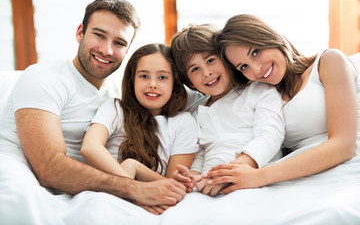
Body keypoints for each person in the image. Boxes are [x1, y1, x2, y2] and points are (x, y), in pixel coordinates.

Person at [0, 0, 187, 210]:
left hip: (86, 189)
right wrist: (135, 190)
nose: (107, 50)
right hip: (25, 176)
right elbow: (48, 168)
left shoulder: (121, 93)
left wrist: (191, 46)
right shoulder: (43, 77)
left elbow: (186, 93)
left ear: (127, 51)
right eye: (99, 35)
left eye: (119, 43)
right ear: (80, 32)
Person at [207, 14, 359, 193]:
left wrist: (258, 176)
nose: (256, 70)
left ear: (270, 37)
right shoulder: (263, 97)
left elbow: (343, 146)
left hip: (347, 167)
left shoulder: (328, 61)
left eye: (255, 52)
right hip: (298, 178)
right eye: (244, 67)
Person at [81, 43, 198, 214]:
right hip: (109, 197)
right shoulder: (115, 108)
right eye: (144, 76)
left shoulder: (183, 122)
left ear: (175, 84)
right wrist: (133, 187)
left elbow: (173, 185)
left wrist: (135, 167)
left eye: (162, 77)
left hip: (155, 204)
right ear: (132, 80)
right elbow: (90, 146)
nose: (152, 84)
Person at [170, 24, 285, 196]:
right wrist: (192, 176)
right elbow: (199, 154)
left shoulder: (257, 91)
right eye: (195, 69)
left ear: (227, 60)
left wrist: (235, 170)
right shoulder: (195, 112)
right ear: (190, 82)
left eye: (210, 61)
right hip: (210, 183)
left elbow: (270, 135)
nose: (207, 72)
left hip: (254, 176)